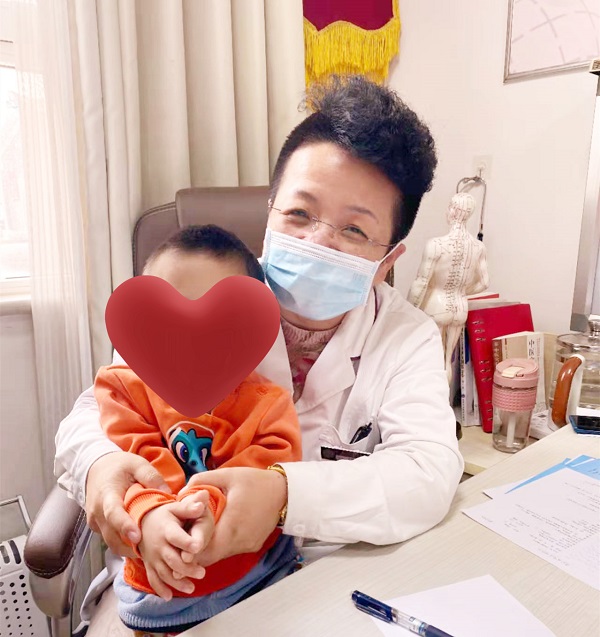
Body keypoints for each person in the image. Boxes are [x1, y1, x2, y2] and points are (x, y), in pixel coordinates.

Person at [55, 75, 464, 627]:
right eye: (299, 214)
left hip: (318, 584)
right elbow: (98, 408)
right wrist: (100, 468)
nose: (318, 241)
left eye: (353, 229)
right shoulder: (197, 299)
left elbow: (428, 471)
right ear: (269, 215)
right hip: (163, 582)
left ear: (387, 260)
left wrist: (283, 495)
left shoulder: (406, 336)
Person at [95, 225, 302, 636]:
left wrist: (206, 509)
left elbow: (266, 472)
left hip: (254, 578)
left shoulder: (267, 403)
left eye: (215, 326)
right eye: (165, 322)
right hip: (155, 583)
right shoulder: (124, 388)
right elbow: (130, 459)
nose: (188, 342)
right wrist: (152, 513)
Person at [408, 191, 489, 383]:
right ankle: (444, 400)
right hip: (460, 308)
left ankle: (432, 398)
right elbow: (484, 283)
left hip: (436, 306)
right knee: (447, 362)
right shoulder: (478, 247)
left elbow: (421, 281)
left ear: (453, 211)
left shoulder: (436, 244)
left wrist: (408, 310)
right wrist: (461, 291)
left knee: (432, 360)